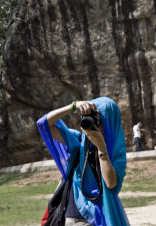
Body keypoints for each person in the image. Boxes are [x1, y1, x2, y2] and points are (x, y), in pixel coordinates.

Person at [37, 97, 130, 226]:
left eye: (99, 120)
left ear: (110, 121)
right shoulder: (79, 141)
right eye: (91, 118)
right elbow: (45, 124)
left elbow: (111, 183)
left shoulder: (116, 151)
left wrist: (101, 148)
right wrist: (73, 106)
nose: (95, 124)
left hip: (102, 217)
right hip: (75, 217)